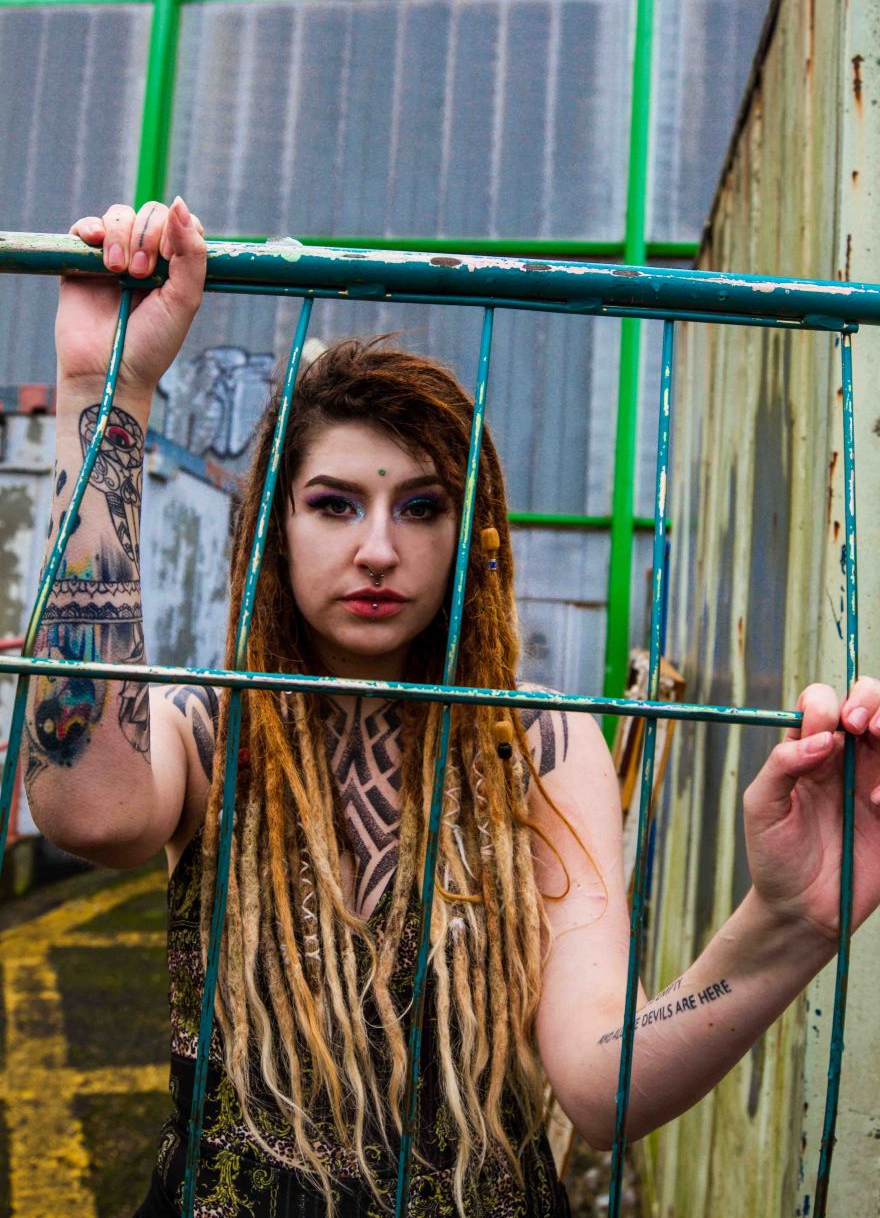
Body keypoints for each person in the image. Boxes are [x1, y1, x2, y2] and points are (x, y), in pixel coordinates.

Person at [22, 197, 880, 1218]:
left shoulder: (541, 745)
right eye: (334, 503)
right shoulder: (216, 723)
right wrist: (106, 387)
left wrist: (786, 924)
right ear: (274, 528)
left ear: (471, 532)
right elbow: (89, 811)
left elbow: (599, 1082)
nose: (378, 548)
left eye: (421, 506)